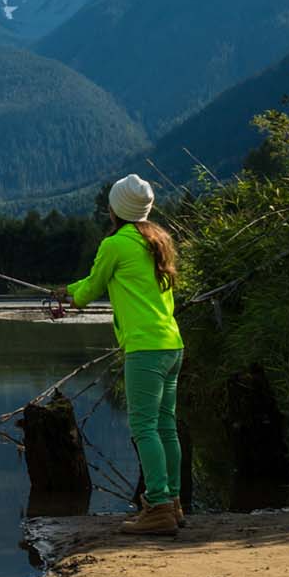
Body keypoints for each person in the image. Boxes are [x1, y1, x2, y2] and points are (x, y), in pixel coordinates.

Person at [58, 174, 186, 536]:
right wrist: (72, 291)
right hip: (172, 345)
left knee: (144, 427)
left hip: (145, 349)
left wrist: (68, 294)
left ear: (114, 209)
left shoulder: (115, 244)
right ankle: (173, 503)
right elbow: (93, 285)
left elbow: (91, 289)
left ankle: (158, 506)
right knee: (166, 426)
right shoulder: (158, 240)